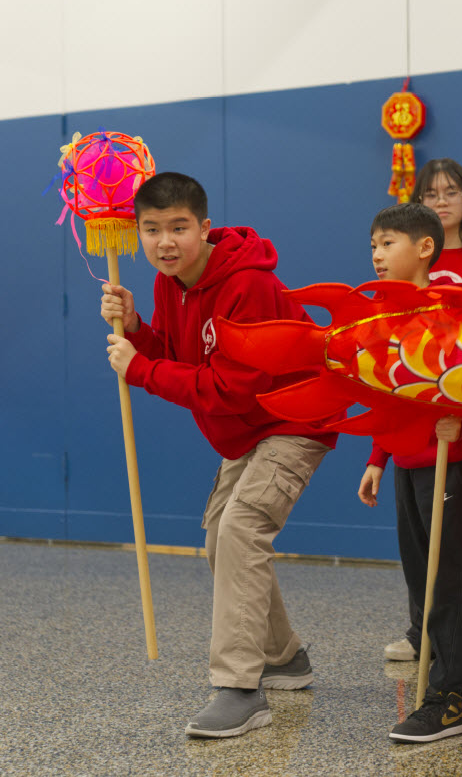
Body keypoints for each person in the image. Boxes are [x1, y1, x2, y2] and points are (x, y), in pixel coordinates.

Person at [100, 172, 339, 739]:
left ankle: (238, 688)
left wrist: (140, 370)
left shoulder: (246, 285)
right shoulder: (170, 282)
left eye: (178, 228)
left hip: (293, 418)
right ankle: (284, 658)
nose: (165, 242)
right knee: (219, 539)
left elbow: (230, 388)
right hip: (247, 430)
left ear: (204, 228)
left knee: (240, 531)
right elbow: (180, 355)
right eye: (151, 229)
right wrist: (137, 329)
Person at [352, 202, 462, 744]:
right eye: (373, 245)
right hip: (408, 464)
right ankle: (458, 672)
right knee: (421, 579)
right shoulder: (382, 311)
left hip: (451, 465)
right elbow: (388, 392)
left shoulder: (453, 302)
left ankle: (446, 697)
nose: (376, 254)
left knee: (450, 578)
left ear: (425, 247)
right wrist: (377, 457)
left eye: (387, 243)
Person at [368, 158, 462, 667]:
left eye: (452, 191)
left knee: (460, 548)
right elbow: (391, 385)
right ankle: (425, 632)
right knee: (420, 550)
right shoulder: (391, 289)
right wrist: (378, 456)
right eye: (431, 193)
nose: (442, 200)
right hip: (411, 448)